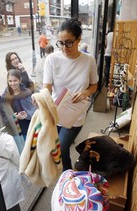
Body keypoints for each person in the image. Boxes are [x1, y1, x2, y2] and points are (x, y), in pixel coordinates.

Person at [43, 18, 99, 171]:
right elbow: (47, 87)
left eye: (69, 42)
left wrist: (85, 92)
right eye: (60, 43)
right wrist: (41, 98)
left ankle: (67, 176)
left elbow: (94, 86)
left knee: (60, 148)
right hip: (55, 112)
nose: (64, 47)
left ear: (79, 39)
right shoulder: (52, 59)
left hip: (75, 116)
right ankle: (68, 176)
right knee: (62, 149)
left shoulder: (89, 60)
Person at [4, 69, 37, 140]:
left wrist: (28, 114)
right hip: (15, 129)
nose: (12, 83)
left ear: (20, 80)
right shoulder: (6, 96)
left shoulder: (27, 92)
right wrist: (14, 117)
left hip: (29, 125)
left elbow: (34, 109)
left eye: (15, 80)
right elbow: (3, 116)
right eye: (10, 81)